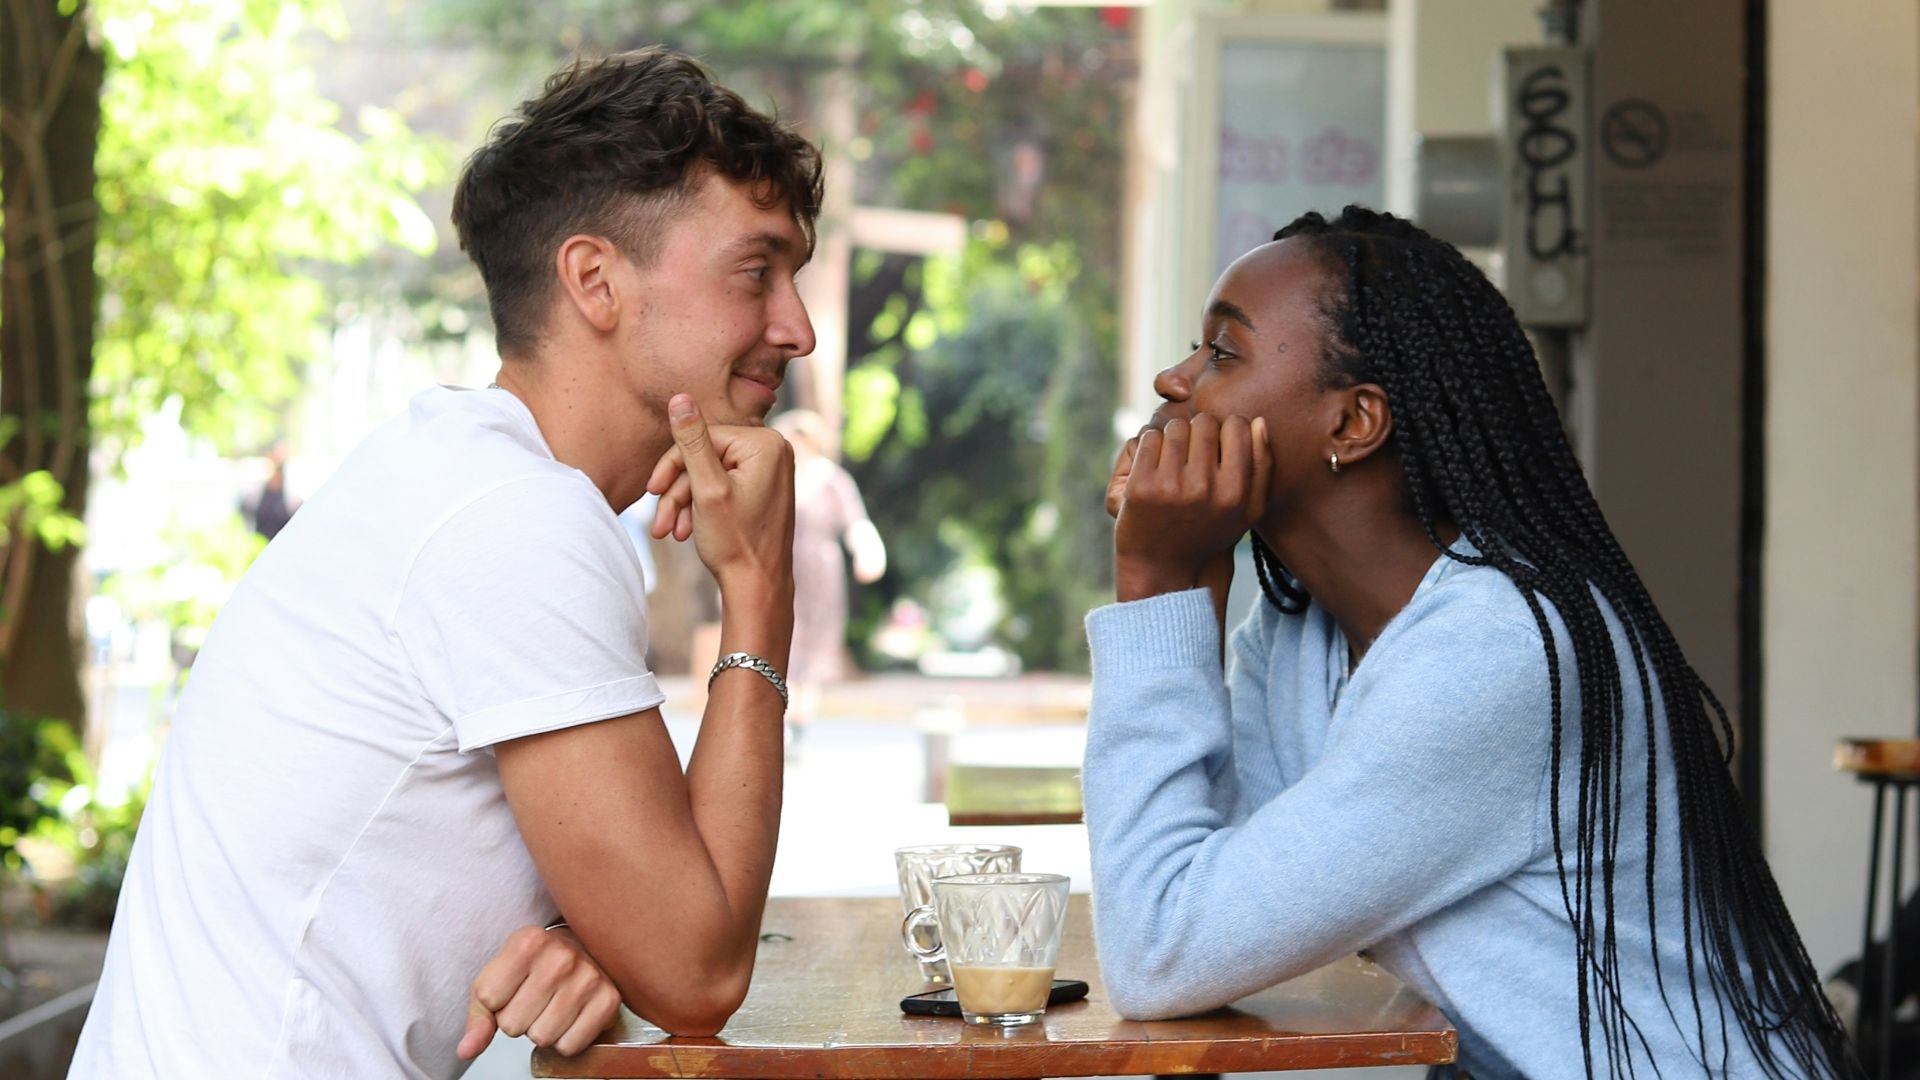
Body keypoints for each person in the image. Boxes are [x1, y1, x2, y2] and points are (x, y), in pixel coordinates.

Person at [71, 47, 818, 1077]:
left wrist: (588, 934)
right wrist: (760, 593)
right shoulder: (514, 518)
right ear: (596, 281)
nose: (800, 328)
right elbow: (697, 970)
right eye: (757, 271)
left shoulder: (475, 479)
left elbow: (653, 932)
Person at [1085, 206, 1857, 1078]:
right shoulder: (1298, 632)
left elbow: (1161, 951)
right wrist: (1195, 586)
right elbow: (1208, 908)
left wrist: (1151, 585)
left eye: (1222, 352)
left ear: (1353, 423)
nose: (1172, 379)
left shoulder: (1495, 654)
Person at [769, 409, 885, 743]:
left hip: (821, 569)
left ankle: (801, 720)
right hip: (781, 566)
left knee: (817, 643)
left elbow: (856, 522)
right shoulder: (777, 475)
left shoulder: (832, 479)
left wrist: (868, 552)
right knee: (783, 638)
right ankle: (783, 714)